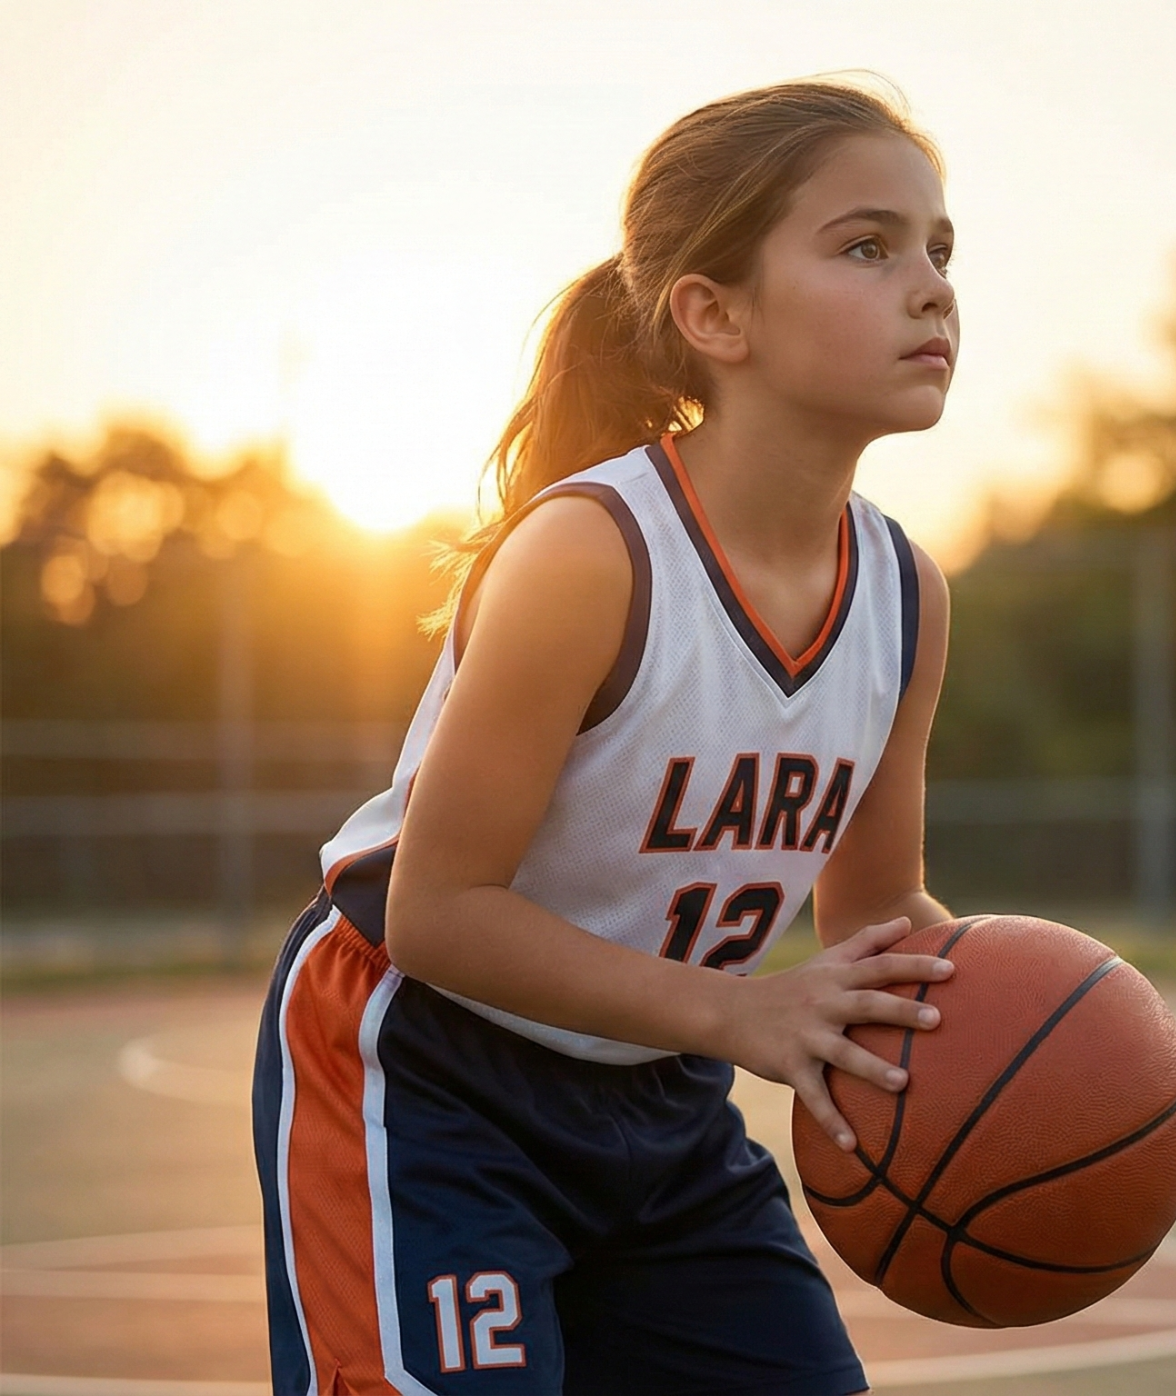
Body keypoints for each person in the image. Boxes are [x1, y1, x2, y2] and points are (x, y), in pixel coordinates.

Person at [249, 78, 960, 1395]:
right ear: (713, 314)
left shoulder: (907, 597)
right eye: (868, 247)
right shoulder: (595, 553)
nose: (929, 286)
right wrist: (738, 1012)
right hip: (426, 1070)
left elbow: (873, 917)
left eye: (937, 248)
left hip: (663, 1108)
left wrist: (1027, 1018)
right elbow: (440, 909)